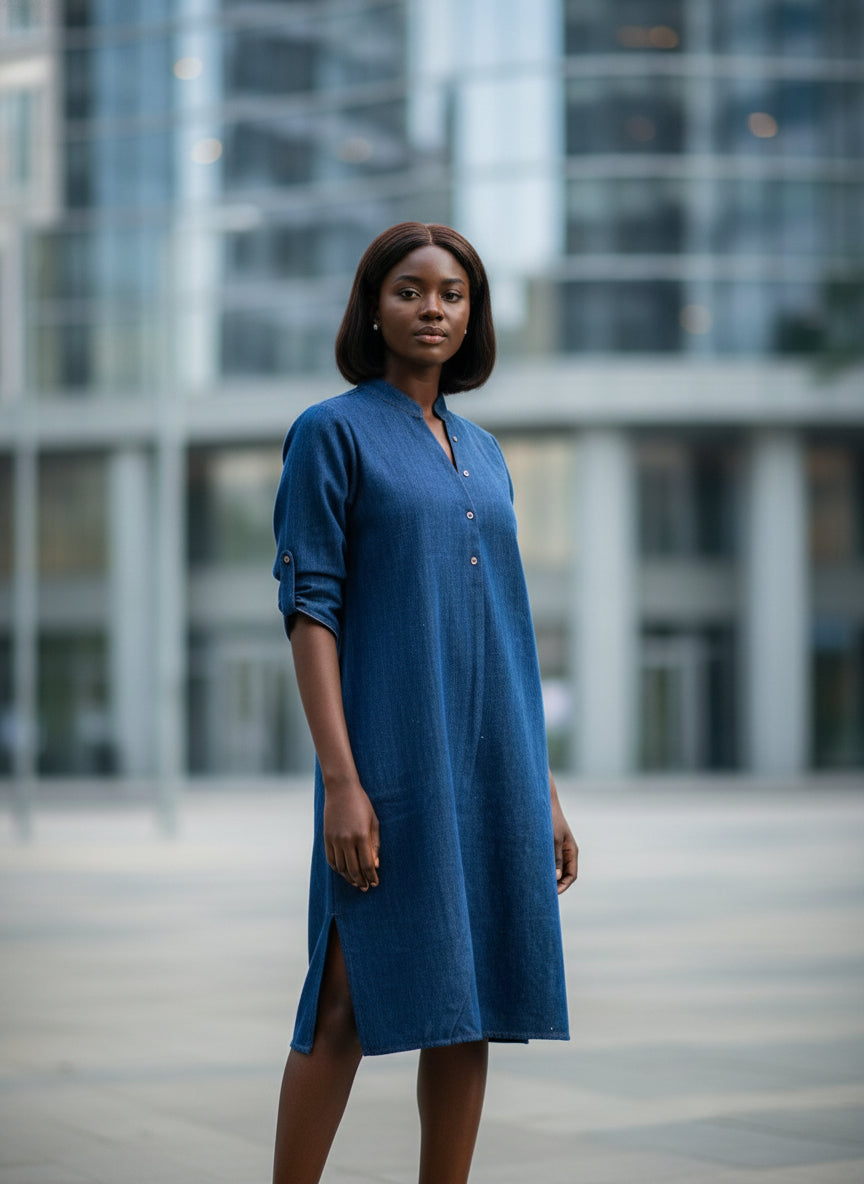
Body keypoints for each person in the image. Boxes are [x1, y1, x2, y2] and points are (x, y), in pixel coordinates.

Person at [271, 222, 578, 1184]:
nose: (432, 308)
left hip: (494, 768)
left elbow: (504, 626)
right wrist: (341, 783)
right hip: (391, 766)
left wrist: (546, 789)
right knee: (345, 1000)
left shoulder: (485, 452)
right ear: (374, 305)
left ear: (473, 315)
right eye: (411, 290)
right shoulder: (332, 431)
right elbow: (309, 609)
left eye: (452, 294)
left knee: (471, 997)